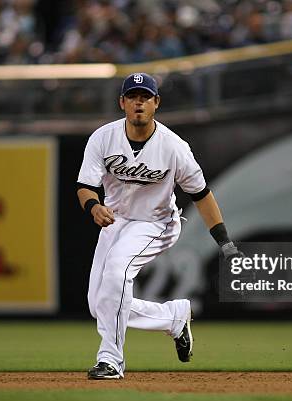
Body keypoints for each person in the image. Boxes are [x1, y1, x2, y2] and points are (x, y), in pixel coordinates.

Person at [77, 72, 243, 380]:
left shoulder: (174, 147)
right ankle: (172, 318)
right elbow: (85, 186)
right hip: (115, 222)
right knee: (99, 304)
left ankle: (110, 360)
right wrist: (93, 205)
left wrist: (225, 242)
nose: (138, 102)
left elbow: (201, 195)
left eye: (145, 97)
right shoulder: (103, 137)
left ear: (156, 103)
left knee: (116, 271)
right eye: (133, 97)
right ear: (122, 103)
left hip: (156, 223)